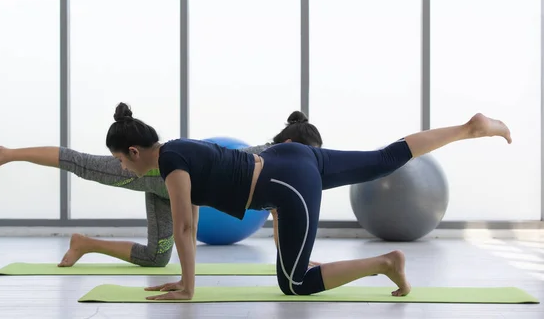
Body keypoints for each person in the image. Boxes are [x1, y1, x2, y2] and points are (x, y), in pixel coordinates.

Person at [104, 102, 512, 300]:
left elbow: (185, 228)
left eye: (120, 160)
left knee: (294, 284)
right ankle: (468, 128)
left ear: (135, 151)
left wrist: (189, 288)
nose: (123, 168)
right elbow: (193, 212)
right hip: (288, 160)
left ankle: (386, 263)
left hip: (287, 179)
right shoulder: (179, 149)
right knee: (383, 160)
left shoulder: (171, 163)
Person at [0, 111, 324, 268]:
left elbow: (280, 227)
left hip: (174, 189)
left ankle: (85, 243)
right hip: (154, 174)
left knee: (157, 259)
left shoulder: (279, 164)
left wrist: (299, 260)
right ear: (294, 144)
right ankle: (7, 153)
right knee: (83, 164)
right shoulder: (271, 160)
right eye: (313, 156)